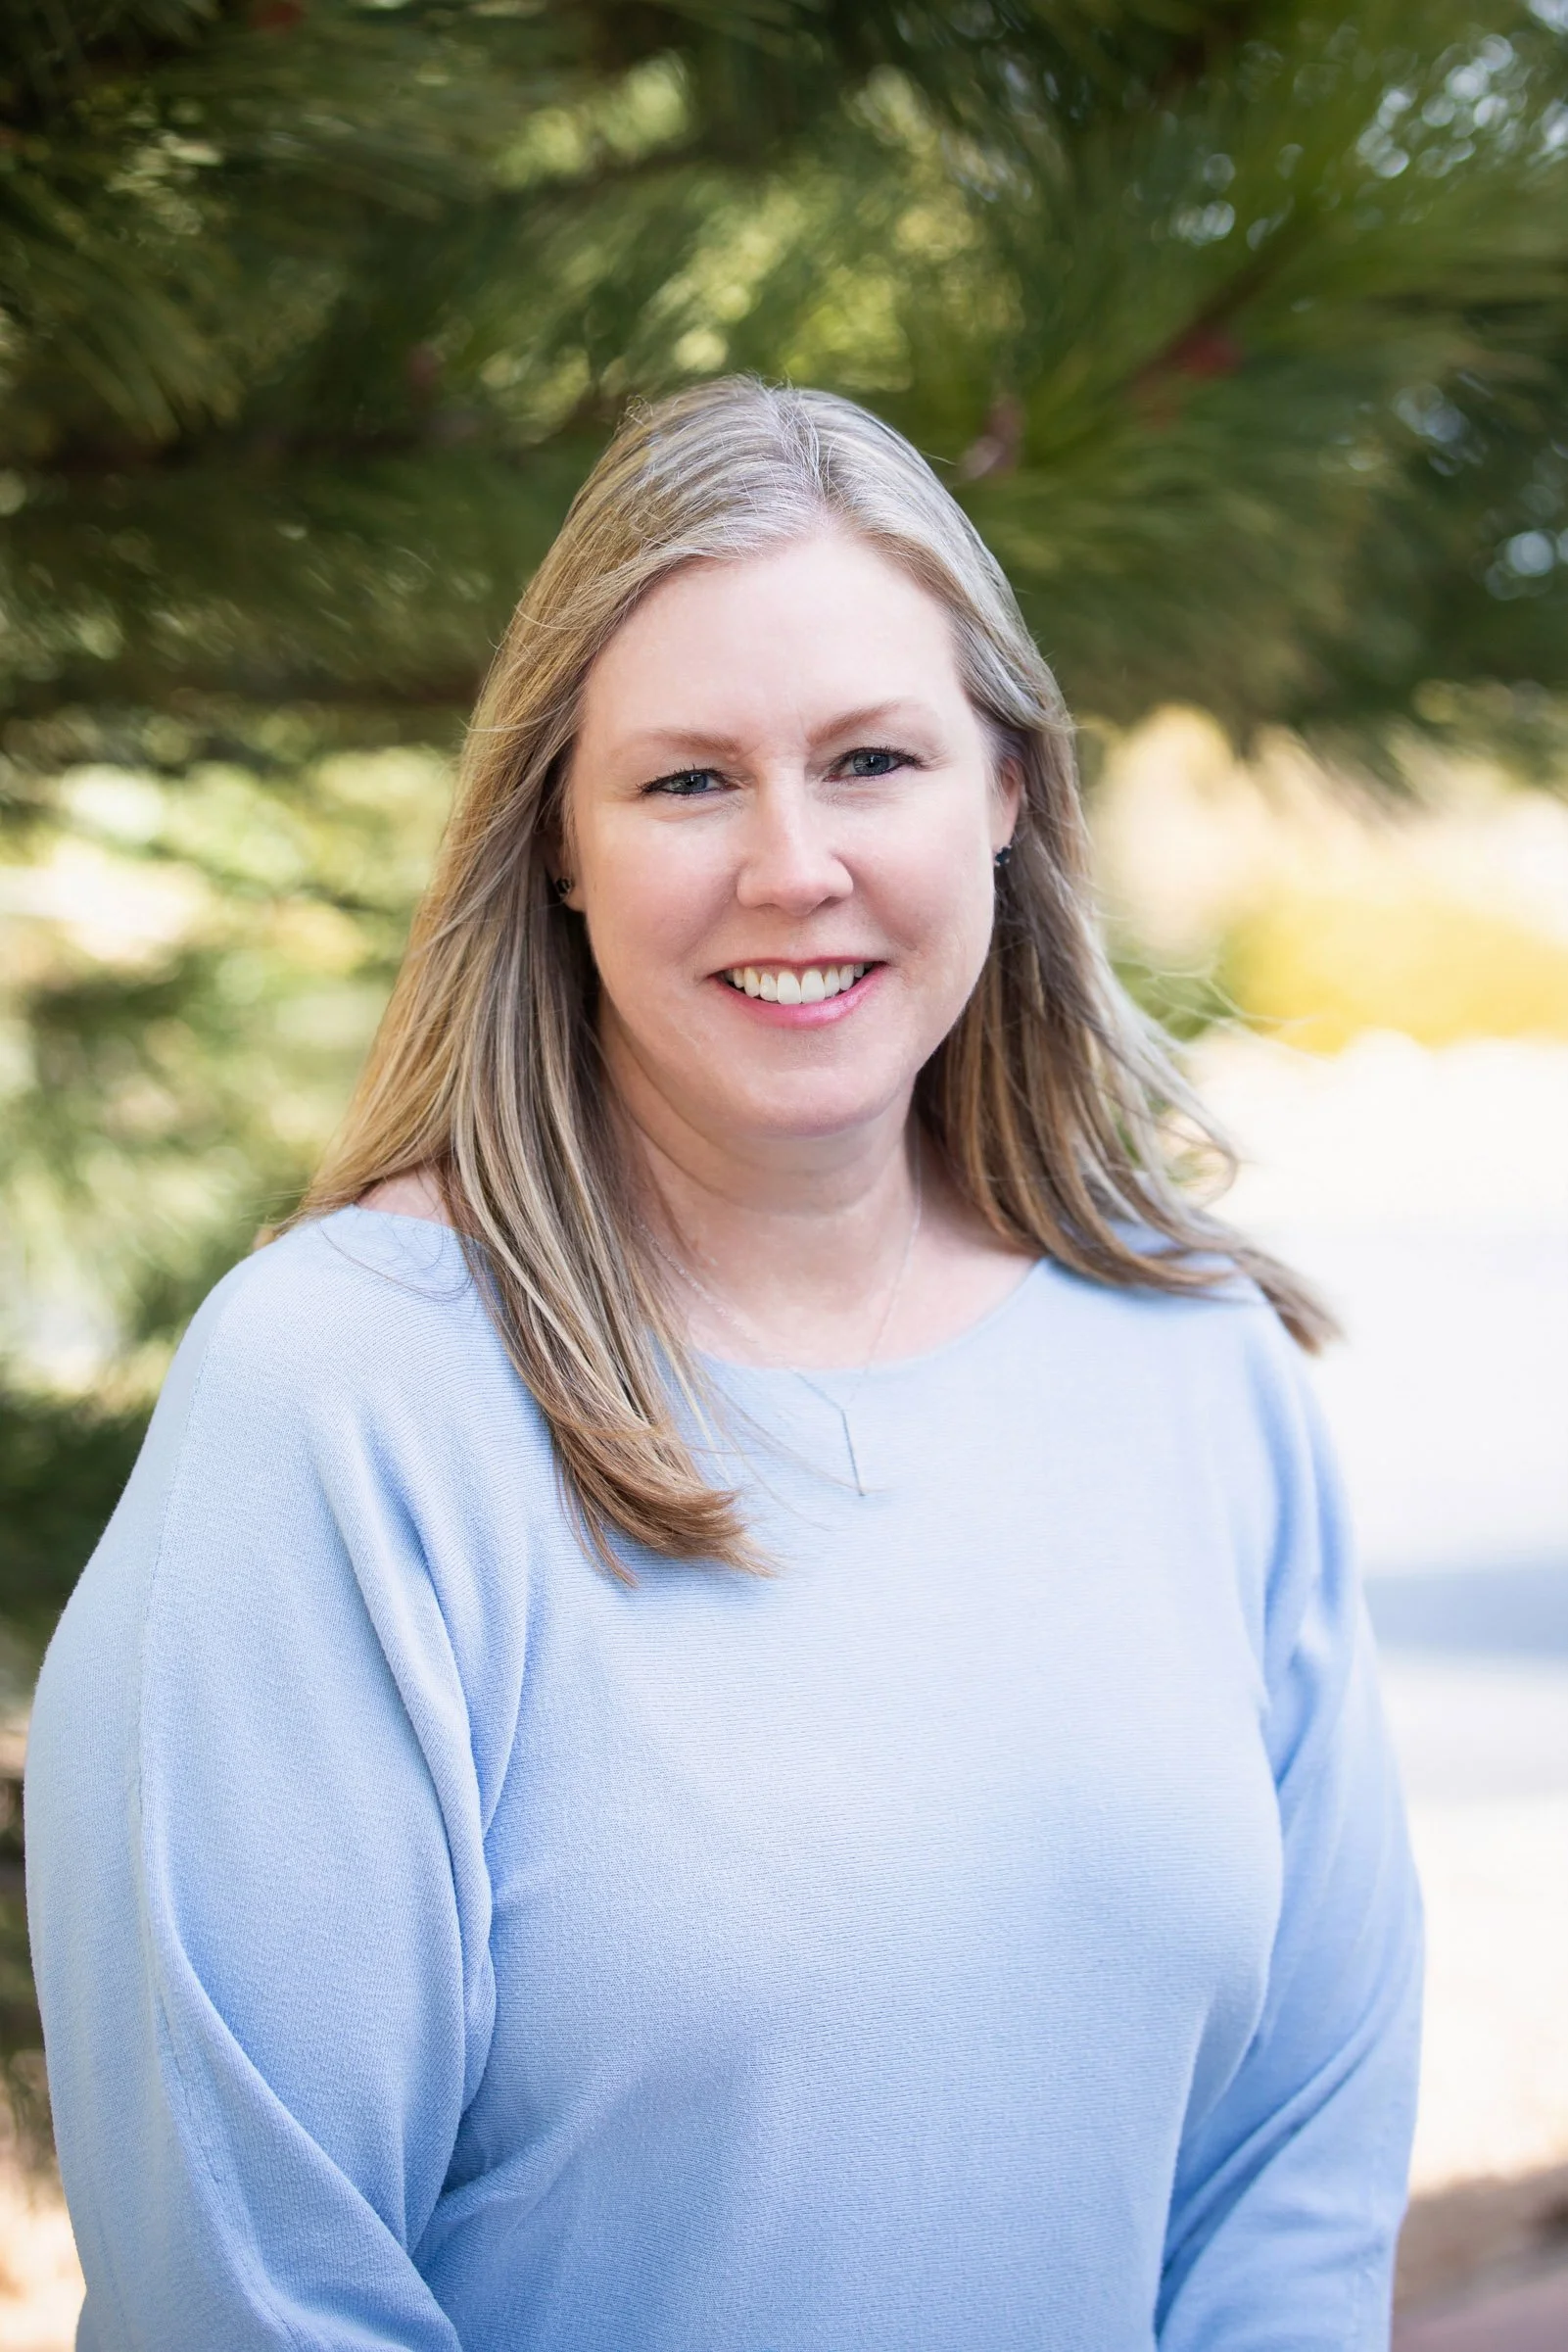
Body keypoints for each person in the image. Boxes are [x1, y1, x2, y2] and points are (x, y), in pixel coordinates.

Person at [25, 379, 1421, 2352]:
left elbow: (1293, 2172)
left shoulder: (1193, 1370)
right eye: (687, 782)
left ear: (1004, 791)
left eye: (868, 760)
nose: (790, 865)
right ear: (561, 842)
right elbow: (256, 2293)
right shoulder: (346, 1400)